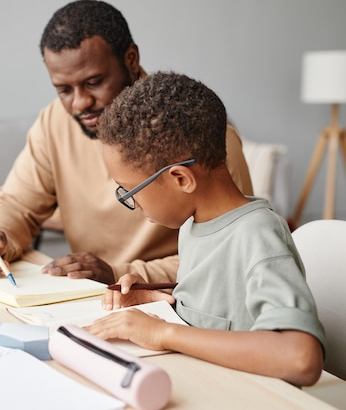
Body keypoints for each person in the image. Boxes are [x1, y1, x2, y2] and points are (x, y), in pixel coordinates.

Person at [0, 0, 253, 285]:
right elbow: (16, 203)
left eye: (93, 82)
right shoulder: (54, 121)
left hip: (170, 298)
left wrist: (119, 273)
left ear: (131, 59)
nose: (80, 103)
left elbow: (227, 251)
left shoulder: (198, 133)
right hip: (90, 294)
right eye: (64, 89)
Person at [86, 71, 325, 386]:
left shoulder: (257, 236)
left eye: (130, 192)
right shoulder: (193, 227)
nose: (134, 205)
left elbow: (301, 357)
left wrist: (162, 332)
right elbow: (219, 313)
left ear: (181, 179)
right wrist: (158, 298)